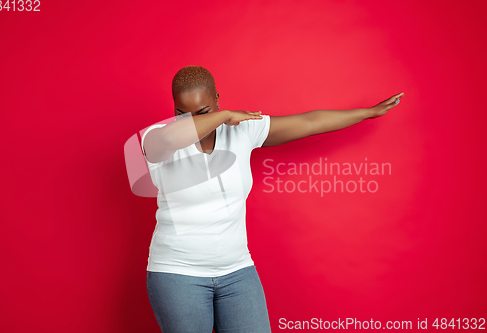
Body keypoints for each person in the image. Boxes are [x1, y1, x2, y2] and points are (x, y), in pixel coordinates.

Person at [141, 65, 404, 333]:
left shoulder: (241, 132)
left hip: (237, 271)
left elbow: (308, 122)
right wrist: (224, 115)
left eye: (203, 112)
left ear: (217, 98)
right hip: (177, 274)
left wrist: (368, 113)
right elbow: (174, 135)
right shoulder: (157, 139)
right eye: (181, 114)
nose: (191, 121)